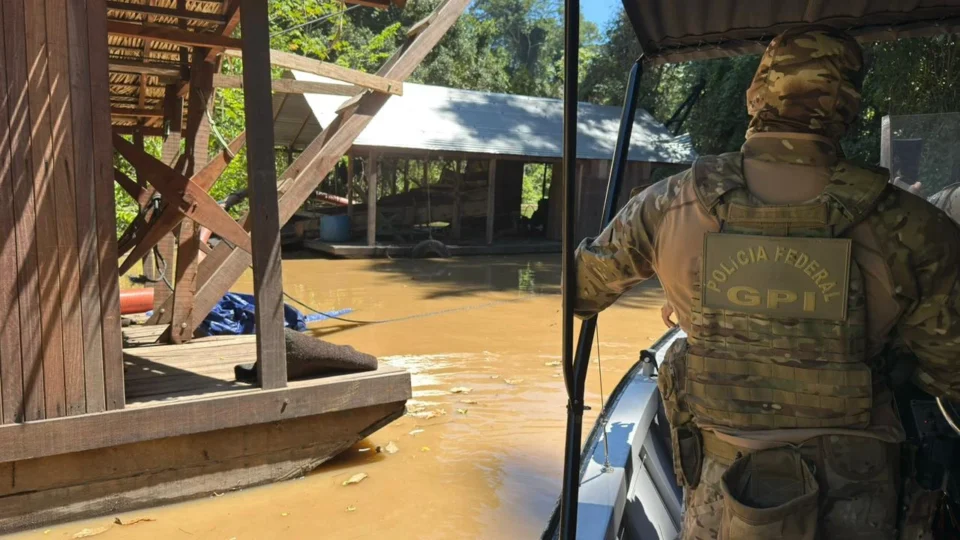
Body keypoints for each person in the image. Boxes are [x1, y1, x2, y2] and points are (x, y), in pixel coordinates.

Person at [575, 25, 960, 540]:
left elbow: (582, 292)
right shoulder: (913, 225)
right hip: (860, 491)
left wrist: (680, 286)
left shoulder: (667, 204)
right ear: (846, 106)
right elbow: (950, 371)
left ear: (756, 96)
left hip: (722, 485)